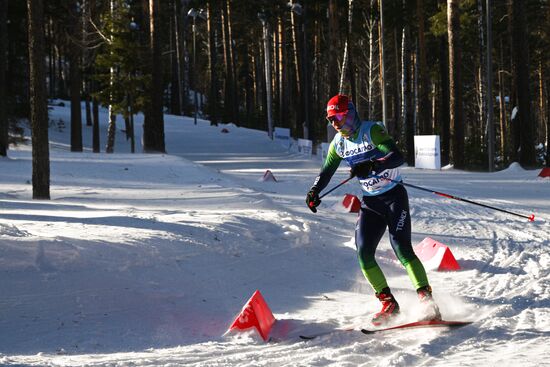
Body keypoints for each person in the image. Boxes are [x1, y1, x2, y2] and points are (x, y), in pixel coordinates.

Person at [305, 94, 441, 326]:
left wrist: (375, 164)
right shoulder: (338, 144)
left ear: (351, 113)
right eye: (331, 120)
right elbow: (326, 172)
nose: (336, 123)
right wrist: (314, 192)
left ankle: (427, 300)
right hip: (371, 202)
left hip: (394, 197)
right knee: (363, 253)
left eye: (339, 116)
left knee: (402, 249)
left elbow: (397, 156)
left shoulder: (372, 131)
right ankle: (388, 303)